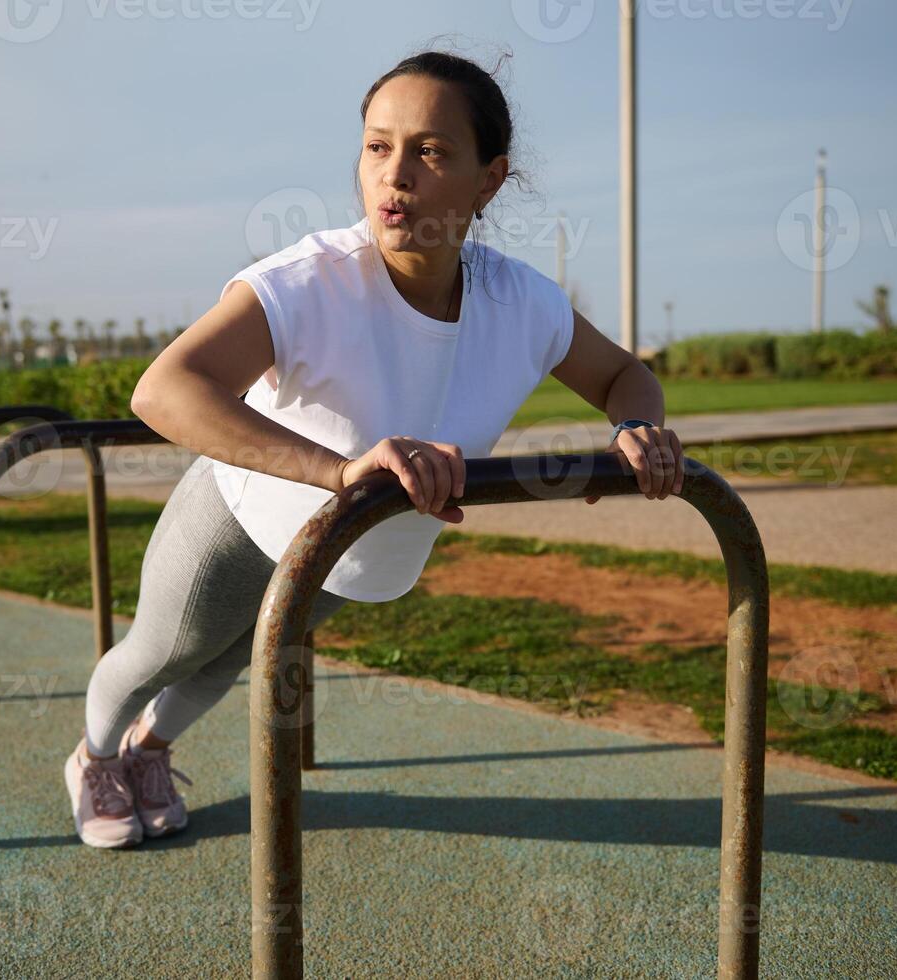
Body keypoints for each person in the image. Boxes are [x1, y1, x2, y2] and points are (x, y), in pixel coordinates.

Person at [65, 48, 685, 849]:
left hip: (353, 547)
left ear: (488, 179)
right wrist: (341, 475)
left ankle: (151, 751)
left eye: (429, 151)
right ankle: (96, 756)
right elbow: (164, 390)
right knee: (166, 649)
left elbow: (624, 375)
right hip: (244, 516)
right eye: (377, 146)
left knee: (229, 660)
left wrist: (635, 429)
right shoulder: (306, 281)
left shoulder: (521, 302)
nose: (395, 176)